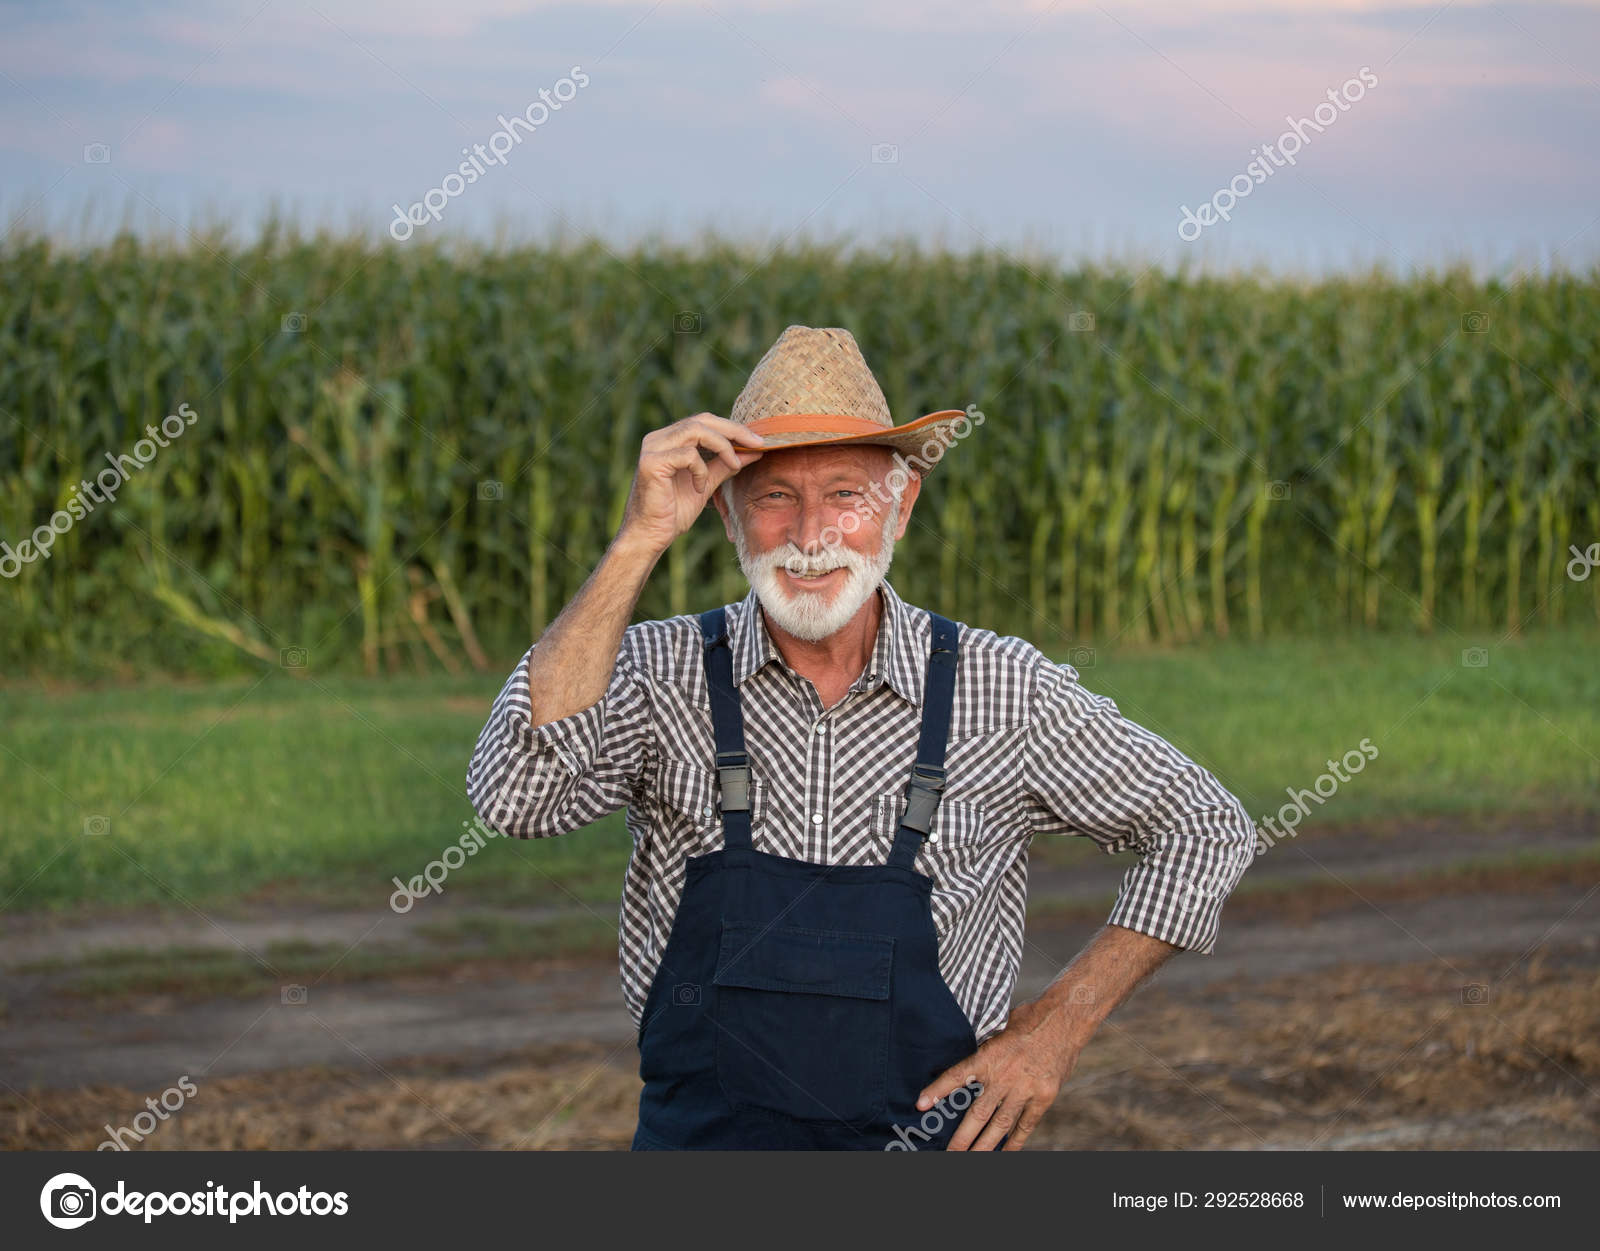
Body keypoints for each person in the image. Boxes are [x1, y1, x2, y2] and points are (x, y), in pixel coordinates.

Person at [467, 325, 1256, 1150]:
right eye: (774, 497)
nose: (811, 536)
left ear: (900, 506)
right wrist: (639, 540)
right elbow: (518, 798)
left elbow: (1206, 826)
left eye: (846, 494)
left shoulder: (1002, 688)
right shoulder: (656, 671)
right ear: (726, 513)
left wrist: (1056, 1028)